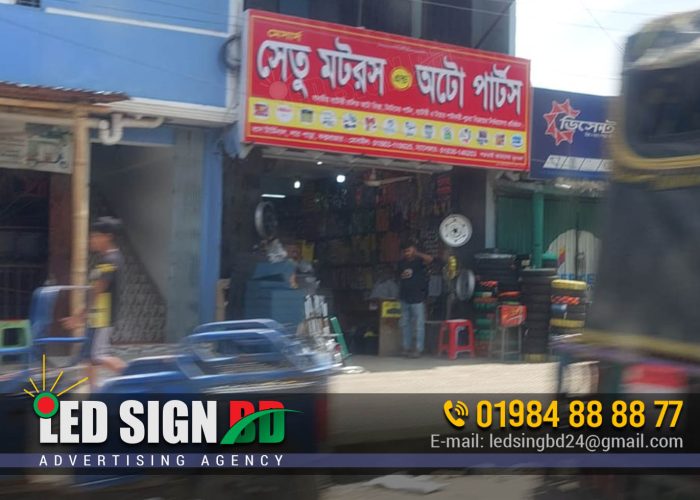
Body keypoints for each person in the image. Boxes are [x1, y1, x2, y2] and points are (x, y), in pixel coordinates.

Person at [62, 217, 126, 391]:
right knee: (88, 358)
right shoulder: (106, 259)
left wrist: (79, 317)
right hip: (97, 317)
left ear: (108, 237)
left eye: (96, 236)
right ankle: (94, 393)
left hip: (102, 318)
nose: (92, 240)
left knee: (98, 356)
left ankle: (135, 377)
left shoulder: (110, 260)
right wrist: (82, 315)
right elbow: (94, 290)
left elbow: (98, 290)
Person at [398, 240, 433, 358]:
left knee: (418, 324)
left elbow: (430, 259)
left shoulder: (419, 262)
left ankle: (418, 348)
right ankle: (406, 347)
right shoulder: (401, 263)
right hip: (404, 296)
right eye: (405, 251)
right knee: (405, 323)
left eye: (409, 250)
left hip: (417, 297)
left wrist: (417, 253)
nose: (407, 253)